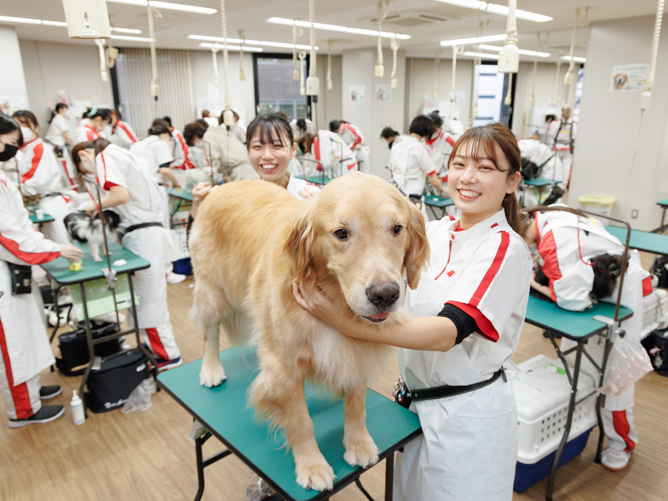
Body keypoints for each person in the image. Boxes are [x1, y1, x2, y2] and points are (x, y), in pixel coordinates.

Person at [293, 122, 531, 500]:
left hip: (466, 419)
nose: (468, 177)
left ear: (512, 181)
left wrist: (338, 321)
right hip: (412, 409)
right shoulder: (433, 232)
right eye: (460, 164)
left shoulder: (503, 248)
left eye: (485, 168)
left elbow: (447, 334)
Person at [521, 205, 649, 471]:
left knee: (615, 375)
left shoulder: (552, 237)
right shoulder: (550, 216)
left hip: (622, 291)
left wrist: (533, 282)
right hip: (602, 285)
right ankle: (578, 426)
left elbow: (572, 300)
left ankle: (621, 441)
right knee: (576, 365)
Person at [0, 113, 84, 428]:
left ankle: (32, 389)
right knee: (13, 341)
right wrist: (52, 249)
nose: (12, 150)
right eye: (9, 143)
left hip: (15, 269)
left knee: (28, 330)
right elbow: (9, 236)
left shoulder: (2, 176)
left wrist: (43, 243)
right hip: (5, 270)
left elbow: (20, 224)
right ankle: (22, 410)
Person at [72, 139, 182, 369]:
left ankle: (166, 355)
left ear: (84, 155)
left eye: (84, 169)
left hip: (144, 237)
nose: (91, 175)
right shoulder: (129, 156)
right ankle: (156, 351)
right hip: (148, 233)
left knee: (147, 301)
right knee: (147, 298)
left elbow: (120, 195)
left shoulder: (106, 157)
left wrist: (89, 206)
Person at [12, 110, 73, 244]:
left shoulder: (39, 148)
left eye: (24, 124)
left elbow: (36, 182)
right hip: (35, 204)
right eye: (17, 125)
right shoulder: (21, 151)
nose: (21, 129)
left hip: (49, 203)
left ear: (36, 127)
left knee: (60, 245)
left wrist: (12, 189)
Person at [388, 115, 448, 201]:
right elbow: (433, 180)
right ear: (427, 132)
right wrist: (442, 190)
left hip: (395, 193)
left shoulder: (395, 147)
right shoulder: (421, 149)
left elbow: (391, 170)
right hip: (412, 197)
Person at [45, 103, 77, 189]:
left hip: (57, 146)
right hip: (58, 148)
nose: (67, 112)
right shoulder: (59, 119)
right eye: (66, 109)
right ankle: (72, 189)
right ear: (60, 109)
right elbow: (66, 135)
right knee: (65, 170)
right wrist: (74, 145)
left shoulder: (58, 118)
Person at [546, 106, 577, 189]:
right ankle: (563, 187)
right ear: (570, 112)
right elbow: (575, 136)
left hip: (557, 148)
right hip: (567, 149)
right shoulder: (573, 124)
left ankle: (553, 185)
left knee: (554, 166)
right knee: (566, 168)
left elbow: (552, 134)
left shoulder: (556, 122)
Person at [426, 111, 456, 185]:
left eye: (434, 130)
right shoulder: (424, 139)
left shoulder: (448, 141)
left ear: (440, 127)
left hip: (443, 182)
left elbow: (455, 166)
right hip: (427, 182)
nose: (431, 132)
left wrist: (442, 178)